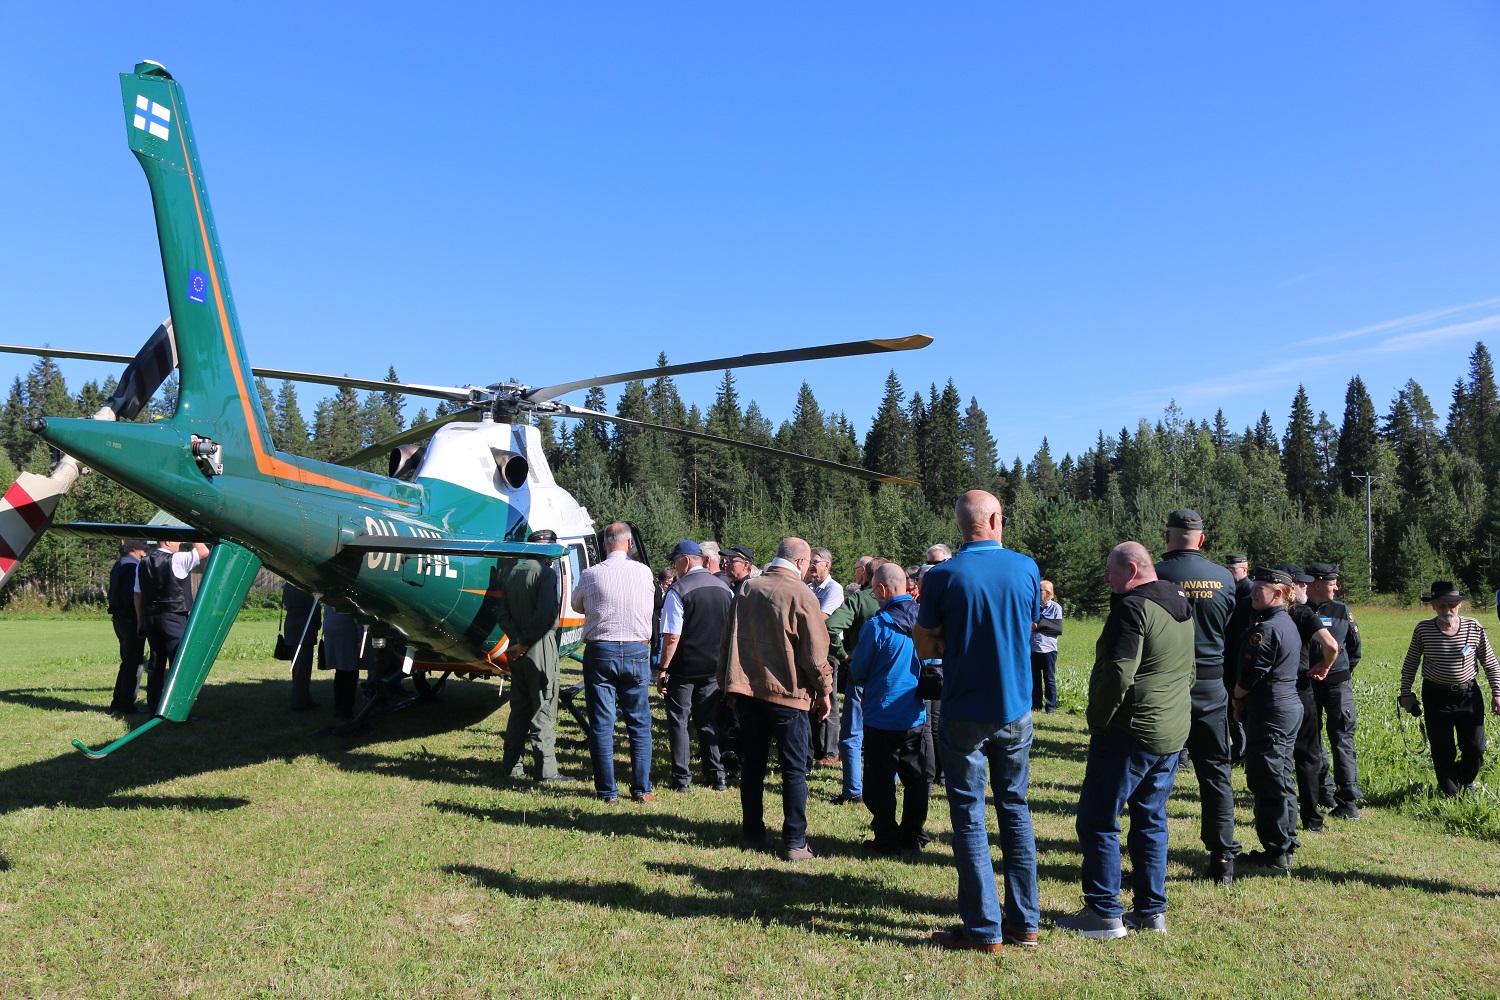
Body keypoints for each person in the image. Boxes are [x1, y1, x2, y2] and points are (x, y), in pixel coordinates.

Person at [918, 491, 1041, 954]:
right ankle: (1025, 922)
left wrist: (956, 643)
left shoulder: (941, 576)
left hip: (964, 708)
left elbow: (927, 647)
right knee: (1015, 808)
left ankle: (984, 929)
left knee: (969, 816)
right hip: (1015, 708)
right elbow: (1026, 626)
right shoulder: (1026, 567)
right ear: (994, 520)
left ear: (961, 526)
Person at [1059, 542, 1194, 939]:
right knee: (1150, 818)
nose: (1106, 578)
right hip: (1170, 731)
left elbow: (1119, 673)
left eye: (1111, 571)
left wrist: (1097, 721)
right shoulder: (1181, 605)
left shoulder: (1132, 608)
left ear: (1132, 570)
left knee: (1098, 819)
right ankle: (1151, 912)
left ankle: (1103, 913)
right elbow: (1190, 670)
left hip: (1129, 731)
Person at [718, 537, 833, 862]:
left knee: (753, 766)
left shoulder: (747, 589)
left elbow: (726, 641)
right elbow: (813, 655)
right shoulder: (802, 594)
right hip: (790, 695)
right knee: (794, 770)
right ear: (800, 562)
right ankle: (795, 842)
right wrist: (824, 690)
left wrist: (726, 686)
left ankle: (753, 834)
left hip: (749, 693)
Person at [1152, 510, 1241, 884]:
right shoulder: (1225, 578)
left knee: (1155, 772)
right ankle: (1223, 857)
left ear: (1167, 537)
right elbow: (1234, 637)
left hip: (1165, 684)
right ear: (1202, 540)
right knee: (1216, 771)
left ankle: (1149, 855)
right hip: (1211, 684)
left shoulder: (1154, 575)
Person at [849, 563, 932, 855]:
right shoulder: (925, 620)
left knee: (879, 781)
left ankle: (886, 837)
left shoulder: (877, 626)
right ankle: (912, 835)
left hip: (882, 715)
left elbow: (858, 671)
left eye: (874, 592)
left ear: (883, 590)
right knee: (915, 778)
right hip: (914, 714)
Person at [572, 521, 656, 804]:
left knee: (602, 723)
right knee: (639, 723)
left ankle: (608, 792)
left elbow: (576, 604)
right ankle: (642, 789)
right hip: (635, 649)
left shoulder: (590, 573)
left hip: (601, 649)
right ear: (629, 544)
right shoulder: (644, 572)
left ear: (604, 545)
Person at [1231, 567, 1304, 871]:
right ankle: (1285, 841)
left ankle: (1277, 852)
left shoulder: (1269, 628)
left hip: (1271, 711)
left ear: (1278, 593)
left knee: (1267, 779)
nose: (1253, 591)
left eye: (1260, 587)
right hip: (1286, 709)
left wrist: (1236, 698)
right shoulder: (1284, 623)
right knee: (1281, 775)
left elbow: (1251, 675)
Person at [1399, 582, 1500, 796]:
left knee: (1475, 747)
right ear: (1433, 605)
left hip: (1469, 695)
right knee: (1443, 749)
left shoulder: (1474, 626)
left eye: (1452, 604)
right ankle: (1450, 792)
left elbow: (1490, 662)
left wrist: (1497, 693)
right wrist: (1405, 694)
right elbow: (1411, 663)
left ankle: (1466, 780)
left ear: (1460, 604)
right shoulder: (1423, 629)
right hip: (1436, 696)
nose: (1447, 609)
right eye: (1442, 604)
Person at [657, 540, 732, 793]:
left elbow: (672, 636)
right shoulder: (724, 588)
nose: (673, 566)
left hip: (685, 667)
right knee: (708, 720)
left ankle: (682, 778)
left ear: (686, 561)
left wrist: (663, 668)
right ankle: (717, 774)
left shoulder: (678, 590)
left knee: (679, 720)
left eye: (674, 561)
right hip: (714, 667)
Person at [496, 530, 572, 783]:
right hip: (539, 645)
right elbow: (546, 617)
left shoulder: (513, 572)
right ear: (548, 549)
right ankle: (546, 771)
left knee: (519, 707)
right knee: (544, 706)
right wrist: (526, 642)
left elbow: (503, 614)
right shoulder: (546, 573)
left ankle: (512, 766)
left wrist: (517, 641)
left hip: (518, 647)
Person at [1280, 564, 1340, 833]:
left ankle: (1276, 813)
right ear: (1292, 587)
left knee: (1274, 756)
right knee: (1307, 755)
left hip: (1269, 691)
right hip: (1301, 689)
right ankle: (1311, 817)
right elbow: (1331, 645)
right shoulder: (1303, 612)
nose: (1306, 588)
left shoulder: (1257, 609)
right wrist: (1325, 666)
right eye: (1302, 584)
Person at [825, 557, 888, 805]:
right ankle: (885, 784)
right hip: (890, 677)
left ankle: (854, 790)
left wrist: (843, 654)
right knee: (886, 733)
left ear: (867, 576)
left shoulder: (859, 600)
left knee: (852, 735)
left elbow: (831, 626)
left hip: (860, 676)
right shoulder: (900, 601)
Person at [1303, 563, 1363, 819]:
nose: (1337, 587)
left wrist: (1336, 671)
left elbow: (1354, 647)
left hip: (1338, 684)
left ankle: (1348, 801)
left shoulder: (1341, 610)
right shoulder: (1300, 610)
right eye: (1332, 583)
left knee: (1342, 738)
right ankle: (1322, 789)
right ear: (1317, 584)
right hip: (1307, 685)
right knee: (1311, 739)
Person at [134, 538, 211, 714]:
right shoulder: (176, 559)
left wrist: (141, 621)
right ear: (168, 542)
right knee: (178, 664)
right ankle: (176, 708)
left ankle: (154, 706)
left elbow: (137, 595)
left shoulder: (142, 563)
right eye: (177, 541)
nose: (179, 545)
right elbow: (204, 551)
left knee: (155, 663)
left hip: (152, 617)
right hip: (174, 616)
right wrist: (193, 533)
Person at [805, 547, 844, 766]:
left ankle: (830, 752)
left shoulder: (834, 589)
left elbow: (822, 618)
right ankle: (816, 747)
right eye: (809, 561)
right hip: (811, 649)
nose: (811, 565)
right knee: (814, 699)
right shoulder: (809, 587)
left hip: (828, 651)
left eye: (815, 561)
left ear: (826, 565)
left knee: (829, 697)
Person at [107, 540, 148, 716]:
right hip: (130, 620)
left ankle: (118, 702)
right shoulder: (132, 567)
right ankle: (127, 706)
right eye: (143, 545)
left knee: (127, 662)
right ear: (133, 548)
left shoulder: (120, 563)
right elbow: (133, 596)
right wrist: (141, 621)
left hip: (119, 619)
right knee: (135, 664)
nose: (146, 547)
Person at [1223, 553, 1252, 763]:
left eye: (1233, 570)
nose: (1229, 573)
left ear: (1245, 570)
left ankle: (1244, 750)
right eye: (1227, 570)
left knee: (1240, 704)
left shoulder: (1250, 593)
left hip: (1243, 655)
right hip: (1229, 655)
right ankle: (1238, 749)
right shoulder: (1228, 590)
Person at [283, 582, 322, 712]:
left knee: (297, 669)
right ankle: (299, 702)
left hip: (290, 628)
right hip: (304, 629)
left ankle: (304, 698)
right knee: (303, 670)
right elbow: (314, 608)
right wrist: (317, 624)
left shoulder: (288, 586)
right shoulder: (304, 586)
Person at [1030, 580, 1063, 715]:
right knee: (1035, 679)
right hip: (1033, 648)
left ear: (1048, 592)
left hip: (1048, 649)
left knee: (1049, 679)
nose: (1038, 593)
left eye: (1040, 590)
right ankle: (1036, 705)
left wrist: (1039, 625)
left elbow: (1057, 628)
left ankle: (1050, 707)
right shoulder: (1033, 607)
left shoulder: (1055, 608)